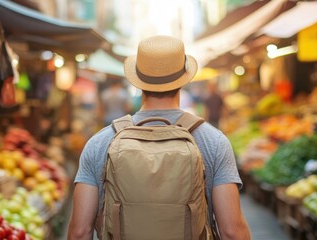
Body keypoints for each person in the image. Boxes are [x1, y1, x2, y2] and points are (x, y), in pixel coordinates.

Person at [67, 35, 251, 240]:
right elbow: (232, 231)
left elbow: (79, 232)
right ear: (183, 81)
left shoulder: (100, 143)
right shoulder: (213, 141)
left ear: (138, 82)